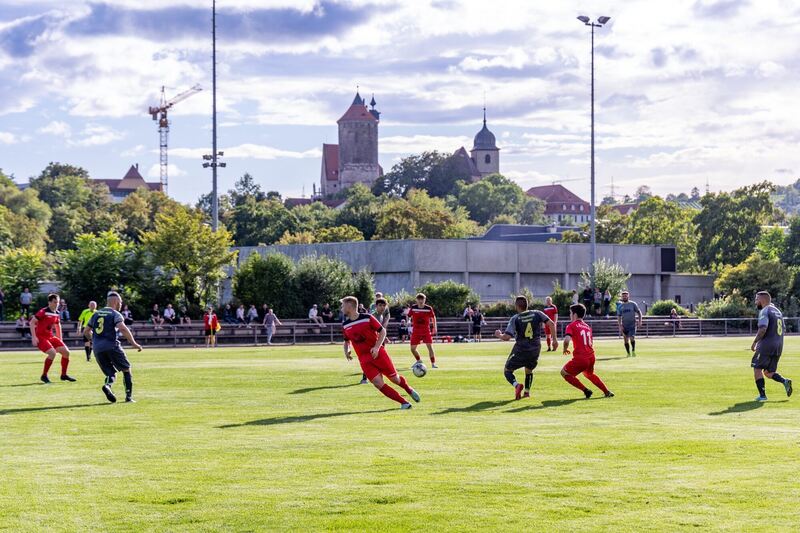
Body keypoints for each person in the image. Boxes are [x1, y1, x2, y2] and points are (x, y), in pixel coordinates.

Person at [341, 296, 420, 410]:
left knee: (395, 379)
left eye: (343, 305)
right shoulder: (345, 325)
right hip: (364, 360)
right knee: (378, 384)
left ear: (350, 306)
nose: (341, 308)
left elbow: (382, 331)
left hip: (378, 355)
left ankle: (409, 389)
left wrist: (377, 347)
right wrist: (347, 350)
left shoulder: (367, 318)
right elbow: (346, 341)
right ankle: (404, 403)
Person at [84, 291, 142, 403]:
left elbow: (86, 331)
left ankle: (107, 386)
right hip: (111, 346)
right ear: (116, 302)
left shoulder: (96, 314)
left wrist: (94, 341)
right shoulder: (115, 314)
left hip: (97, 349)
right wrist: (134, 343)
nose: (121, 305)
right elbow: (123, 328)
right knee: (126, 369)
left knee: (110, 373)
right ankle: (128, 397)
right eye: (120, 302)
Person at [495, 295, 556, 400]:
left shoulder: (515, 318)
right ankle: (527, 392)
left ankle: (517, 385)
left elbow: (507, 337)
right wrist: (554, 340)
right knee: (528, 370)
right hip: (535, 348)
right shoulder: (537, 313)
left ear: (516, 306)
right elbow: (551, 323)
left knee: (507, 370)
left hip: (521, 349)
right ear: (527, 305)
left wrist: (499, 335)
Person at [561, 304, 613, 399]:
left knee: (564, 373)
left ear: (575, 314)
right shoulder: (587, 326)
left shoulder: (571, 325)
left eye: (570, 313)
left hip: (581, 358)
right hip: (591, 357)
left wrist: (565, 349)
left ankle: (586, 391)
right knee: (589, 374)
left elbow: (566, 340)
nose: (570, 315)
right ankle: (607, 391)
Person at [750, 291, 792, 402]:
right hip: (778, 345)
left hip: (766, 345)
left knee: (757, 368)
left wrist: (755, 342)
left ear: (762, 300)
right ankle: (785, 381)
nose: (755, 302)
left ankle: (762, 396)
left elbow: (763, 328)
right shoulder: (777, 311)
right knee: (768, 372)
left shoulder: (765, 310)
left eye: (756, 299)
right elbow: (783, 329)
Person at [30, 293, 75, 384]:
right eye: (55, 302)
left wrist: (60, 339)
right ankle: (44, 376)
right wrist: (34, 337)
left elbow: (58, 325)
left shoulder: (57, 313)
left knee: (66, 352)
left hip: (50, 337)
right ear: (49, 302)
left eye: (58, 302)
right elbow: (32, 322)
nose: (57, 304)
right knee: (52, 353)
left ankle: (63, 375)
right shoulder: (43, 311)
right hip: (41, 337)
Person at [358, 297, 392, 384]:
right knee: (370, 359)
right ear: (376, 306)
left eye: (384, 305)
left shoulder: (381, 316)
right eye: (380, 305)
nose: (382, 307)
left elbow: (379, 330)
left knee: (378, 359)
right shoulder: (373, 316)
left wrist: (383, 337)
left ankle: (377, 377)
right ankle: (364, 378)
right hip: (371, 341)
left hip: (378, 340)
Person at [408, 293, 438, 368]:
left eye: (422, 299)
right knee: (412, 349)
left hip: (426, 331)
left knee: (430, 347)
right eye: (419, 299)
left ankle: (433, 364)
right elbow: (408, 316)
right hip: (416, 331)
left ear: (425, 300)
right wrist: (408, 321)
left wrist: (434, 327)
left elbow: (433, 317)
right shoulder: (413, 307)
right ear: (416, 300)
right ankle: (418, 361)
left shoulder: (428, 308)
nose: (421, 301)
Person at [617, 291, 642, 357]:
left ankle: (633, 351)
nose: (624, 297)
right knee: (625, 340)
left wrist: (640, 321)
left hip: (632, 324)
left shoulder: (633, 304)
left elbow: (639, 312)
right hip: (624, 325)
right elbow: (619, 316)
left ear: (628, 296)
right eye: (623, 296)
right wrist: (620, 325)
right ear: (622, 297)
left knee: (631, 338)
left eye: (626, 296)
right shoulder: (620, 306)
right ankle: (628, 353)